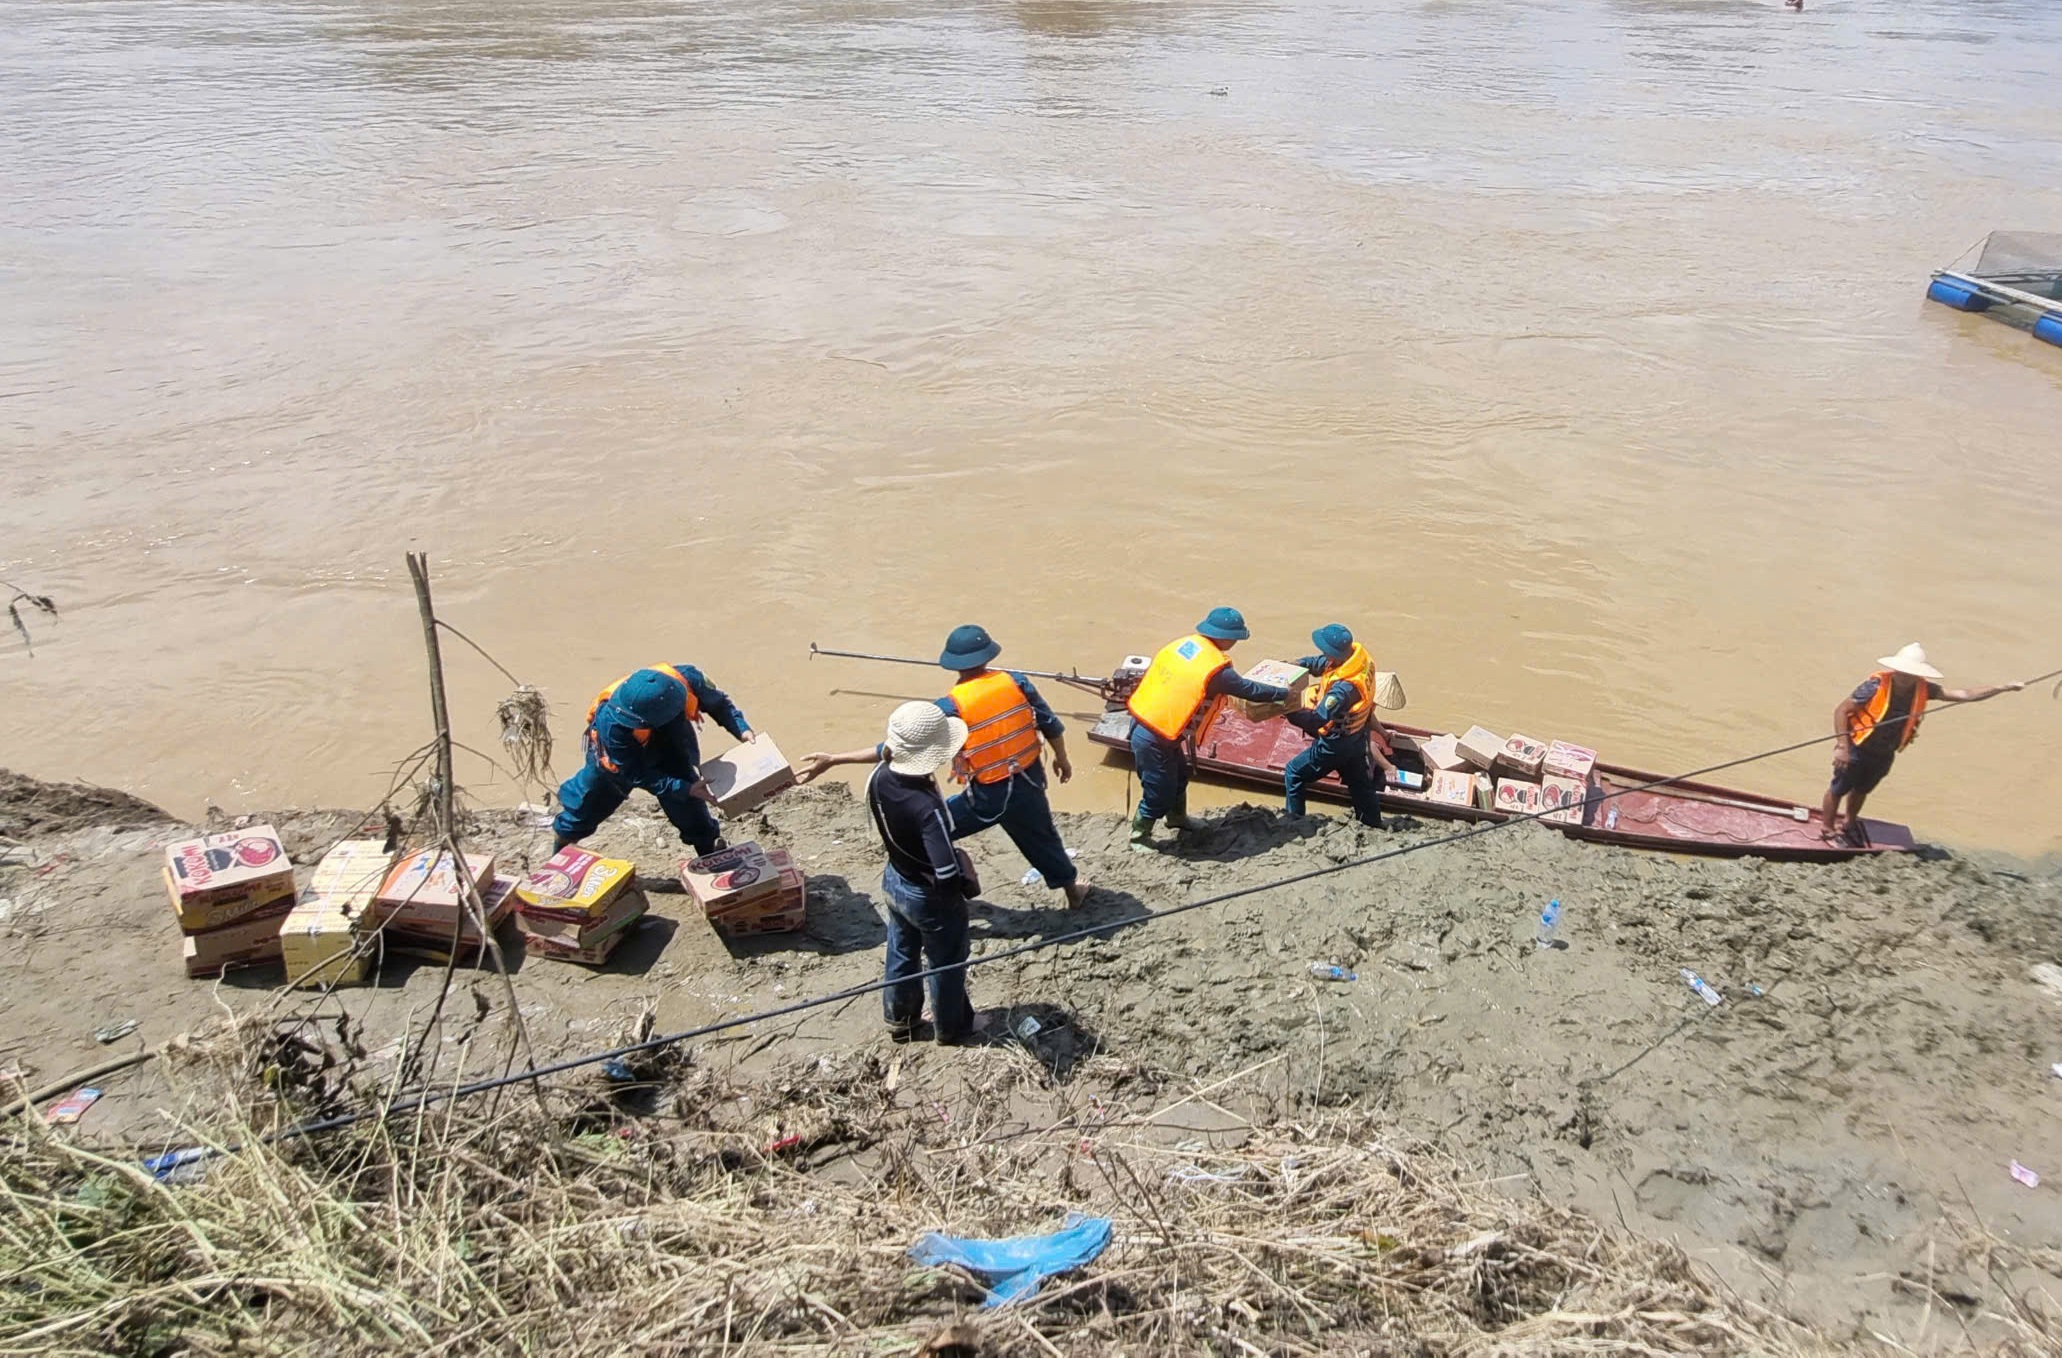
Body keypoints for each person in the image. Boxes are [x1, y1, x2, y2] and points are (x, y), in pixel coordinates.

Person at [796, 625, 1093, 908]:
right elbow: (1051, 725)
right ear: (989, 655)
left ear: (953, 664)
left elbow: (896, 748)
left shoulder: (951, 706)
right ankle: (1072, 891)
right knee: (1044, 839)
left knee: (933, 831)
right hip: (1029, 782)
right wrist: (1062, 758)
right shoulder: (1017, 681)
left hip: (988, 797)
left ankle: (929, 889)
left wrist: (835, 759)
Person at [1125, 606, 1294, 851]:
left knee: (1180, 777)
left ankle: (1177, 818)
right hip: (1153, 736)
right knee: (1158, 789)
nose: (1236, 642)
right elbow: (1250, 690)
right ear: (1225, 637)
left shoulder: (1185, 645)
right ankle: (1138, 837)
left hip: (1152, 721)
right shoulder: (1216, 672)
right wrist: (1283, 694)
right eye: (1235, 638)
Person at [1820, 643, 2021, 843]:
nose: (1904, 677)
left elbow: (1963, 695)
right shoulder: (1874, 686)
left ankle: (1849, 822)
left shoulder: (1925, 689)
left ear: (1917, 675)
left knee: (1863, 789)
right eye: (1901, 672)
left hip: (1884, 752)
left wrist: (2002, 688)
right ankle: (1827, 828)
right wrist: (1842, 747)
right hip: (1857, 746)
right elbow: (1841, 711)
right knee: (1839, 788)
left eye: (1910, 674)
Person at [864, 701, 980, 1044]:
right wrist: (956, 896)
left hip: (896, 877)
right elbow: (944, 869)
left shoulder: (880, 777)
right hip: (926, 895)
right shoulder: (927, 807)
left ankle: (901, 1021)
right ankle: (952, 1029)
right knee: (946, 961)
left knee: (901, 948)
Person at [552, 663, 756, 856]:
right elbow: (635, 773)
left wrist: (742, 729)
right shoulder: (612, 724)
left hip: (669, 746)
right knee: (586, 806)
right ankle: (561, 850)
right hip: (617, 764)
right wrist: (683, 787)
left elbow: (719, 704)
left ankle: (709, 852)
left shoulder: (687, 678)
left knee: (691, 809)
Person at [1284, 624, 1395, 828]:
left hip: (1335, 743)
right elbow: (1320, 663)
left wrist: (1288, 711)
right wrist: (1297, 664)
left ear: (1335, 654)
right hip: (1357, 738)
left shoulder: (1344, 689)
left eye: (1325, 651)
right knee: (1360, 784)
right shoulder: (1360, 659)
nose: (1323, 654)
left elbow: (1318, 720)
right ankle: (1373, 823)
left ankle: (1295, 821)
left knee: (1294, 772)